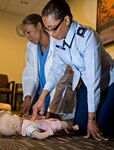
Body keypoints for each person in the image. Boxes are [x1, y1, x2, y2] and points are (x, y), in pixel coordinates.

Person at [32, 0, 114, 141]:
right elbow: (56, 70)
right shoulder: (57, 38)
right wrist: (42, 97)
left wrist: (92, 119)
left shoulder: (88, 37)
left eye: (53, 28)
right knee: (81, 127)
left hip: (108, 82)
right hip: (86, 83)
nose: (50, 34)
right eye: (47, 29)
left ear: (66, 20)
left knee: (100, 127)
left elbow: (94, 79)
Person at [20, 14, 76, 119]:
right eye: (25, 34)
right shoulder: (31, 46)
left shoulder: (58, 41)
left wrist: (52, 108)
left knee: (55, 125)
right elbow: (30, 72)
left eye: (28, 32)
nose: (27, 37)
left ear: (39, 26)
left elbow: (61, 77)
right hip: (39, 94)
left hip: (57, 92)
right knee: (33, 122)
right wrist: (27, 97)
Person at [0, 111, 79, 139]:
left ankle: (67, 129)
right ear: (14, 126)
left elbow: (32, 119)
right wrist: (47, 133)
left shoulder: (23, 123)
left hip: (46, 122)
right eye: (13, 116)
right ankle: (71, 128)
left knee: (59, 124)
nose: (15, 115)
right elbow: (38, 135)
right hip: (50, 127)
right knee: (64, 124)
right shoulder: (28, 128)